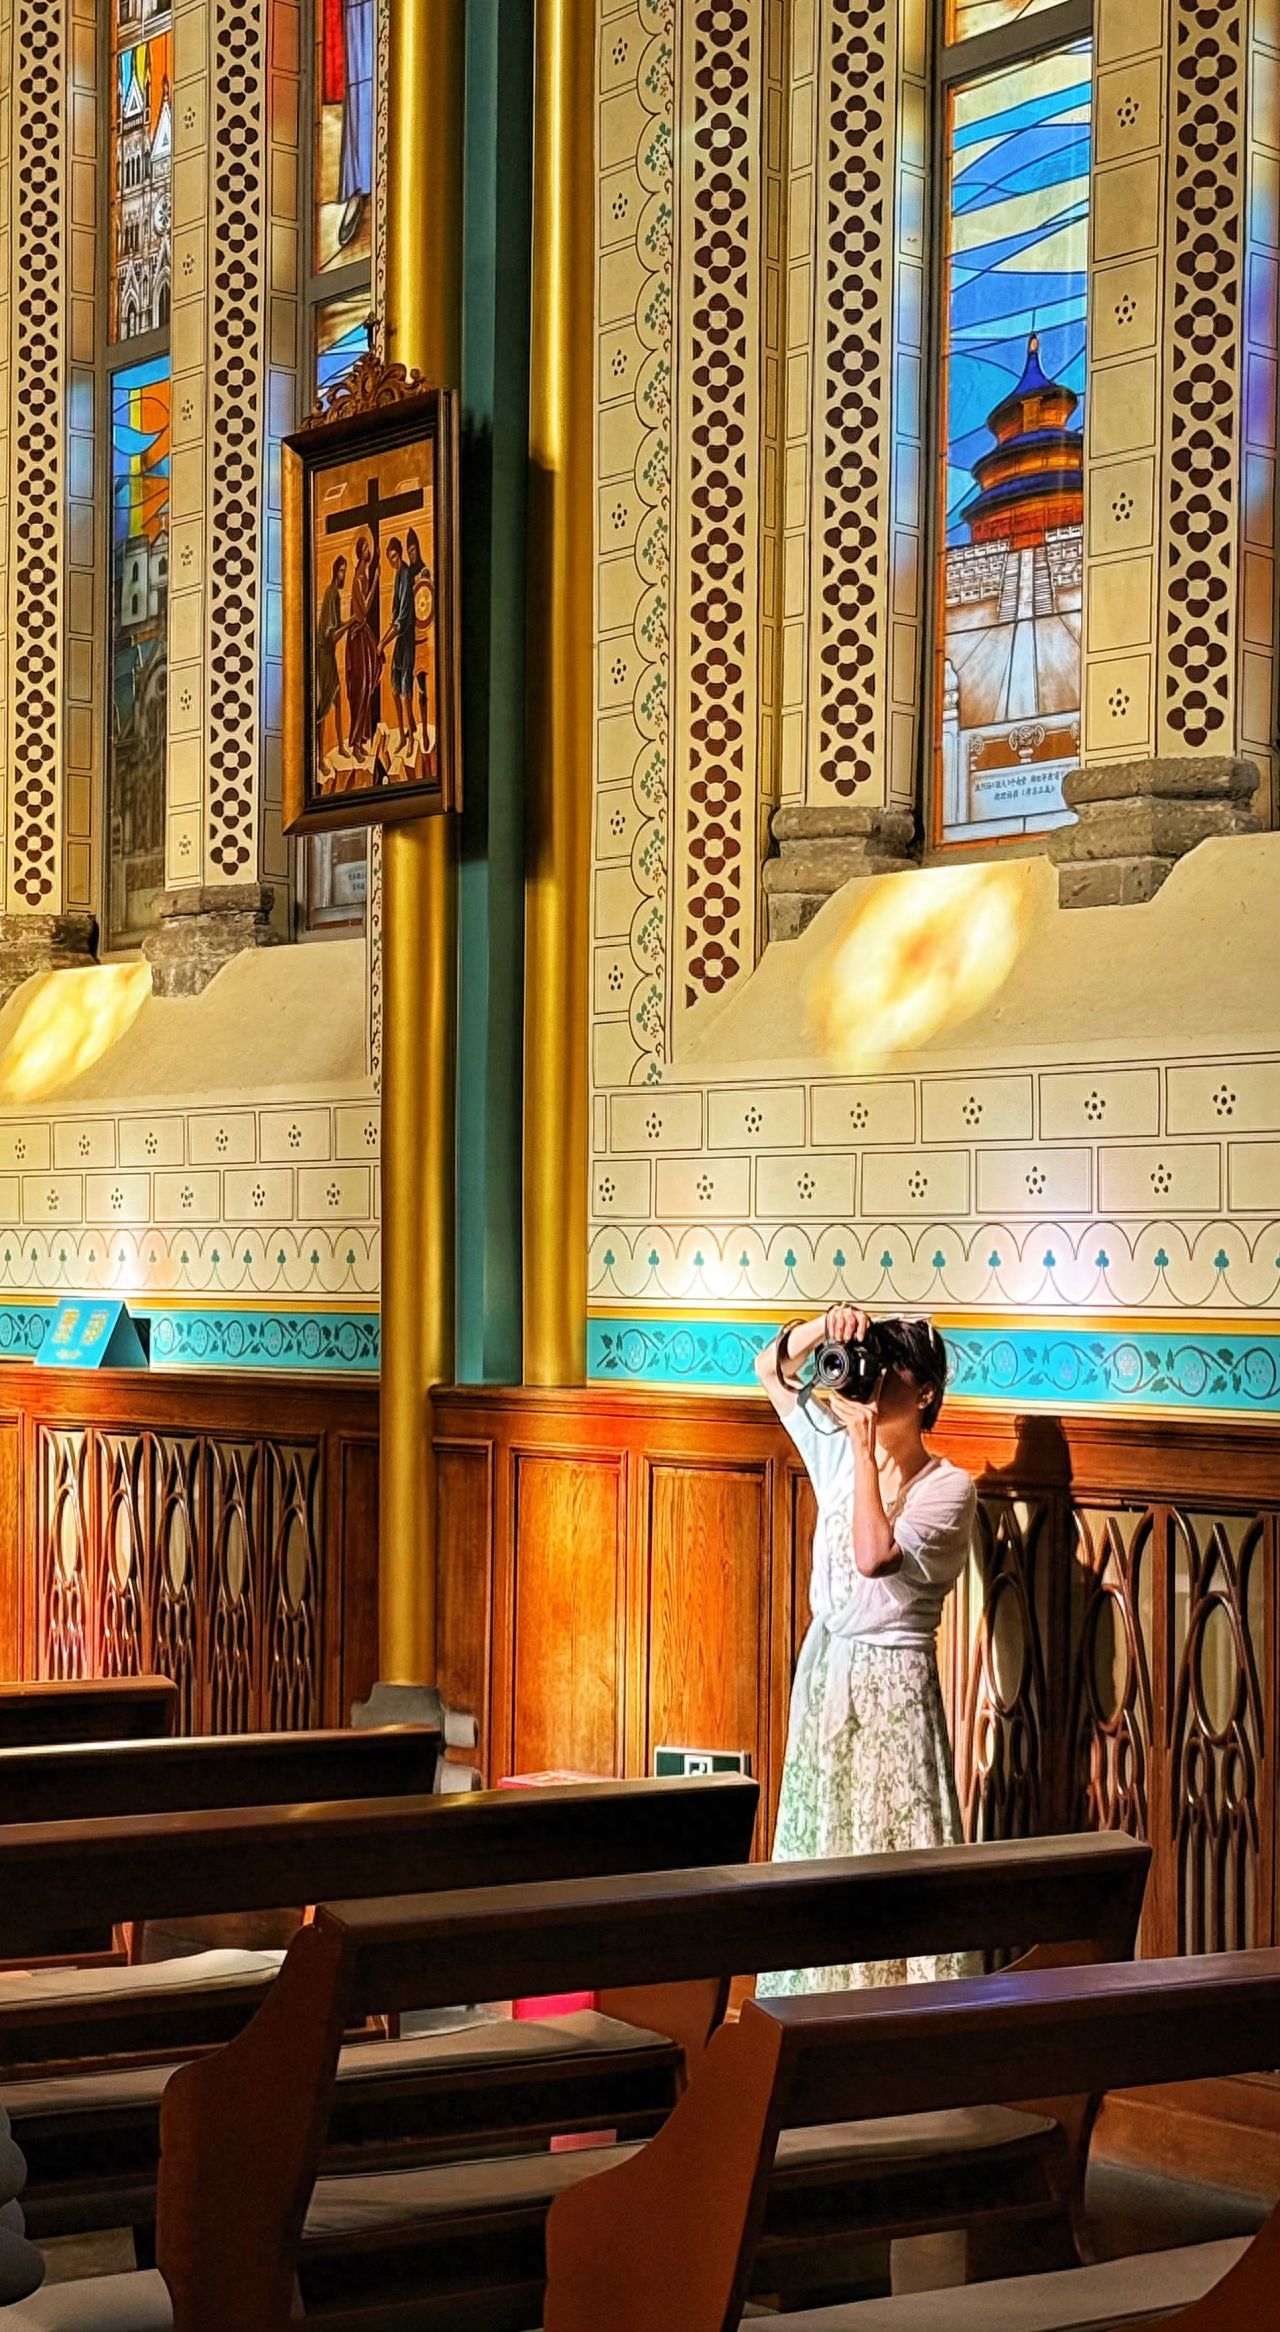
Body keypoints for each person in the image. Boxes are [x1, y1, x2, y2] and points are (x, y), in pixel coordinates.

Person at [754, 1305, 977, 1993]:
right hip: (830, 1677)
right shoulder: (839, 1447)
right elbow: (769, 1369)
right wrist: (823, 1330)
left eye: (891, 1372)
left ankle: (901, 2028)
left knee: (890, 1852)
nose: (873, 1387)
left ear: (927, 1393)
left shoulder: (950, 1487)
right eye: (869, 1368)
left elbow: (874, 1555)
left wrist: (859, 1449)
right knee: (828, 1846)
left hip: (895, 1691)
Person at [343, 535, 381, 757]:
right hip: (357, 639)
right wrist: (376, 580)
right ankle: (355, 742)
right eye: (366, 547)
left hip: (364, 634)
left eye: (369, 546)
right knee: (361, 686)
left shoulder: (363, 574)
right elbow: (364, 609)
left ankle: (362, 740)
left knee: (369, 684)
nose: (368, 550)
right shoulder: (359, 577)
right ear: (361, 552)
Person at [382, 536, 417, 751]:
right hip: (399, 638)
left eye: (394, 556)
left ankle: (412, 740)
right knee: (395, 689)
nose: (392, 561)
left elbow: (401, 618)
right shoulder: (397, 575)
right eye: (389, 558)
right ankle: (404, 733)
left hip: (406, 637)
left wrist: (382, 643)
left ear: (400, 553)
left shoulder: (404, 573)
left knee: (405, 690)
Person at [315, 553, 347, 766]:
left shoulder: (336, 594)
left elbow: (338, 626)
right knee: (325, 703)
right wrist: (352, 622)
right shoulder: (330, 593)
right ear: (336, 572)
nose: (345, 574)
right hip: (324, 654)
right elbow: (331, 634)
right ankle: (318, 758)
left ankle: (342, 746)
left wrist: (348, 624)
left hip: (329, 653)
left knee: (337, 698)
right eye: (343, 570)